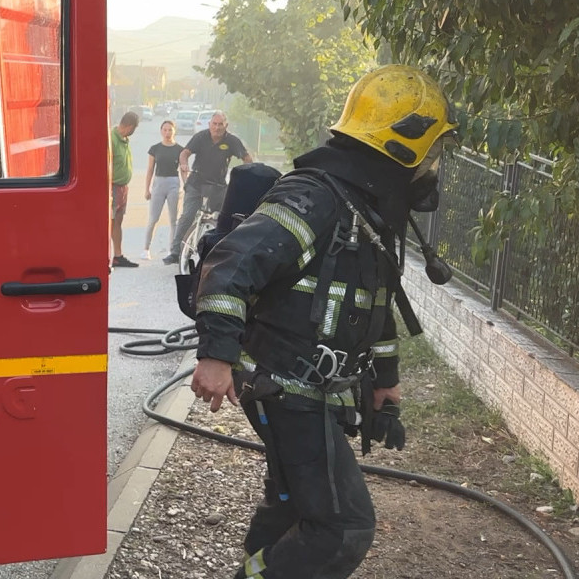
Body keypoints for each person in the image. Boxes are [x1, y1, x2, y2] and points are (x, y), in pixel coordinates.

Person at [188, 65, 458, 579]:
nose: (435, 165)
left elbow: (374, 305)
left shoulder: (368, 211)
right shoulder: (317, 198)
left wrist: (385, 382)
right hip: (284, 386)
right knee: (341, 529)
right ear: (403, 146)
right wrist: (216, 355)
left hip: (311, 387)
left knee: (293, 504)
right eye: (433, 150)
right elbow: (231, 267)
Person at [162, 111, 253, 265]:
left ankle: (225, 254)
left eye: (220, 124)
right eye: (214, 124)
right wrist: (184, 163)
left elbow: (246, 158)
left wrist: (249, 173)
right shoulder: (201, 137)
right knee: (188, 215)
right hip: (196, 183)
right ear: (209, 125)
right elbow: (184, 153)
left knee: (227, 217)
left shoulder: (231, 141)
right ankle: (176, 252)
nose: (217, 128)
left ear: (226, 126)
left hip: (217, 186)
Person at [141, 120, 182, 260]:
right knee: (153, 218)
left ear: (174, 131)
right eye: (165, 130)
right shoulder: (155, 149)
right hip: (158, 183)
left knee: (173, 219)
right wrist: (147, 189)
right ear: (161, 131)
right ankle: (146, 249)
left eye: (170, 130)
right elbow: (150, 170)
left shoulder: (179, 149)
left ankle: (173, 249)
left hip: (173, 183)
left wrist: (186, 184)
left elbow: (183, 170)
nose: (167, 133)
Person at [110, 111, 139, 268]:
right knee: (111, 221)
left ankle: (118, 256)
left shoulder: (125, 139)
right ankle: (106, 256)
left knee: (118, 221)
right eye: (133, 128)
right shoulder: (112, 139)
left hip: (123, 187)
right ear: (128, 126)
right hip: (113, 187)